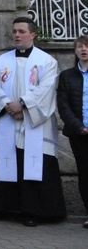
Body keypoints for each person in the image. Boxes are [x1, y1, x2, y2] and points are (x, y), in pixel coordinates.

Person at [0, 17, 65, 227]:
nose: (17, 35)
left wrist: (23, 105)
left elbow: (46, 88)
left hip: (33, 121)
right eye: (14, 31)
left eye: (21, 31)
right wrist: (7, 105)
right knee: (2, 161)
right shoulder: (3, 60)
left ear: (32, 34)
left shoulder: (47, 61)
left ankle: (33, 211)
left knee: (33, 163)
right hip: (7, 120)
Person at [56, 36, 88, 228]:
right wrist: (80, 127)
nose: (84, 50)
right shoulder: (67, 76)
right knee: (85, 174)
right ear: (75, 51)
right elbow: (63, 105)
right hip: (79, 134)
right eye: (80, 47)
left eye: (87, 46)